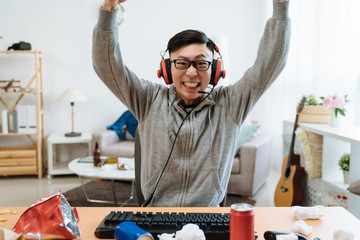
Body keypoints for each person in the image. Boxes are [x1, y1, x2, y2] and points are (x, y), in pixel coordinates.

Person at [93, 0, 291, 207]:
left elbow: (271, 63)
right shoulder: (148, 99)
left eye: (201, 62)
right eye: (181, 62)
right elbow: (106, 65)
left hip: (208, 218)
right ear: (167, 69)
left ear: (214, 70)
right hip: (156, 214)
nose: (191, 71)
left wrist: (280, 6)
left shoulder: (232, 103)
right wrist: (108, 9)